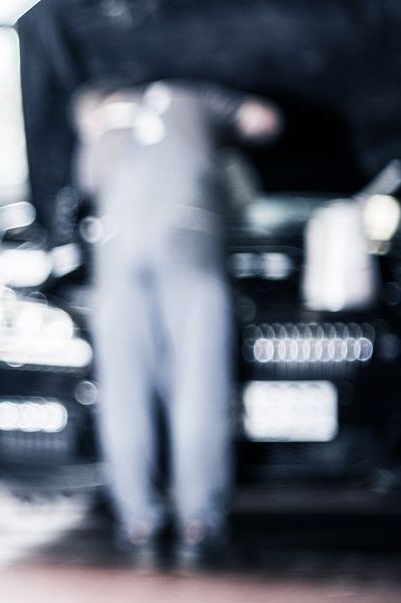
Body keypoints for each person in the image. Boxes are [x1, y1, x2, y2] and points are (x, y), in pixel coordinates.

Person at [73, 80, 282, 570]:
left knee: (123, 388)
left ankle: (138, 519)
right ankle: (198, 520)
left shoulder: (102, 118)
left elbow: (87, 186)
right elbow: (264, 120)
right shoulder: (194, 96)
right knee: (199, 382)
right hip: (187, 229)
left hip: (115, 241)